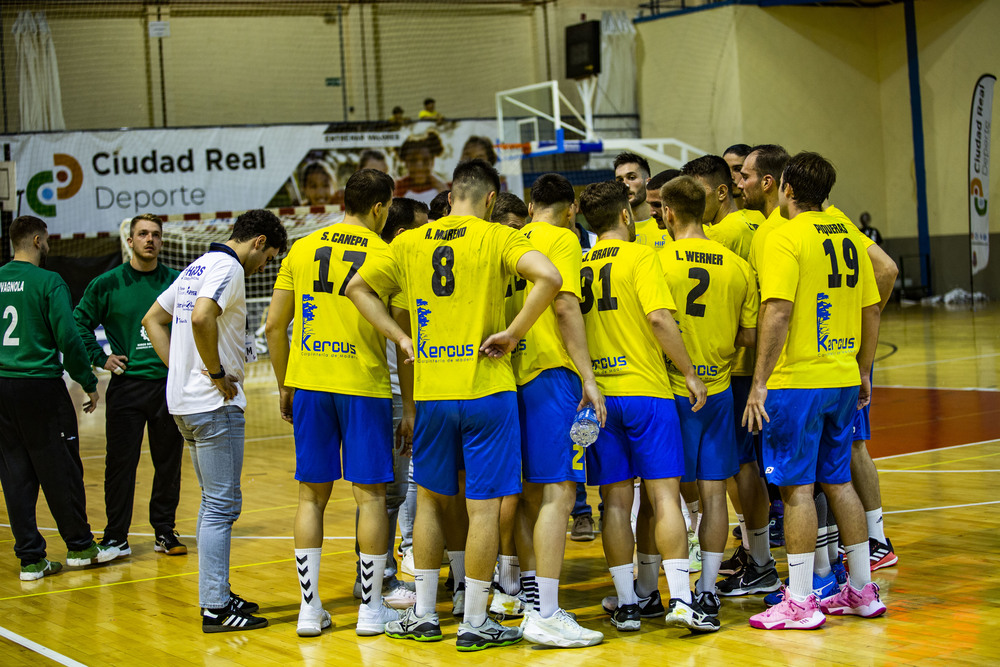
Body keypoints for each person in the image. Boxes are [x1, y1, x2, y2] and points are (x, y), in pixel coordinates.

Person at [346, 158, 563, 651]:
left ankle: (424, 614)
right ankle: (473, 621)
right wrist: (513, 333)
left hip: (433, 392)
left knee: (429, 500)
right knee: (484, 509)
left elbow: (357, 288)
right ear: (491, 199)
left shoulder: (408, 241)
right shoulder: (499, 237)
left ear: (449, 195)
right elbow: (548, 278)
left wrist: (400, 336)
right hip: (487, 390)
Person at [743, 152, 886, 630]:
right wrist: (863, 370)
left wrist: (759, 381)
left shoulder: (785, 236)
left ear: (785, 187)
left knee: (798, 491)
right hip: (843, 376)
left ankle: (801, 602)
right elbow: (872, 308)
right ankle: (863, 590)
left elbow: (778, 310)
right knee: (839, 481)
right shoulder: (847, 234)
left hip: (798, 382)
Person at [265, 170, 404, 638]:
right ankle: (369, 612)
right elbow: (404, 338)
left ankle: (309, 611)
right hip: (363, 386)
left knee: (311, 497)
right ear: (381, 208)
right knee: (370, 498)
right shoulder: (386, 253)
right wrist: (413, 405)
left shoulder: (301, 249)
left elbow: (272, 327)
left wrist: (286, 384)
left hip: (309, 384)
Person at [576, 180, 716, 634]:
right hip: (647, 394)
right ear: (624, 216)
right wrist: (691, 372)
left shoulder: (579, 264)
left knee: (614, 504)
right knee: (663, 495)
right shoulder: (642, 257)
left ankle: (627, 603)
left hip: (599, 397)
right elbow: (659, 318)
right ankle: (680, 598)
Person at [143, 209, 288, 633]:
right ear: (258, 241)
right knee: (221, 507)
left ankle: (218, 594)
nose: (265, 268)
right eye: (269, 257)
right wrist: (216, 372)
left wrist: (181, 372)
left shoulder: (196, 266)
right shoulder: (228, 267)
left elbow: (152, 319)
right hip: (212, 404)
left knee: (213, 505)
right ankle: (215, 607)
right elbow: (203, 316)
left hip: (184, 403)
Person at [508, 173, 606, 648]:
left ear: (530, 205)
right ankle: (546, 612)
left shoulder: (509, 239)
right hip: (552, 375)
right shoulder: (563, 239)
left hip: (509, 376)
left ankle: (533, 601)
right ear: (571, 209)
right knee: (560, 495)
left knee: (530, 496)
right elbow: (565, 307)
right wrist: (588, 377)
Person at [657, 175, 759, 622]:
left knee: (665, 494)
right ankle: (707, 589)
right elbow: (750, 334)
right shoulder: (736, 265)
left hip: (671, 388)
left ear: (669, 213)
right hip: (719, 389)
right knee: (716, 492)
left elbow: (653, 322)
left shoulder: (656, 261)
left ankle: (665, 590)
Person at [0, 216, 121, 581]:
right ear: (38, 240)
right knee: (61, 467)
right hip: (39, 386)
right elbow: (68, 337)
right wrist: (88, 380)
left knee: (14, 472)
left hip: (3, 386)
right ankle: (81, 546)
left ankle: (31, 560)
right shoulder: (49, 281)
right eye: (47, 241)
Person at [73, 213, 186, 558]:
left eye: (155, 234)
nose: (149, 239)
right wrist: (99, 357)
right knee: (120, 463)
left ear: (161, 241)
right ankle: (116, 536)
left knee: (168, 462)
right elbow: (78, 323)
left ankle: (164, 531)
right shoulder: (107, 283)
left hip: (168, 386)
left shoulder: (178, 281)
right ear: (130, 241)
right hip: (126, 386)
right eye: (142, 234)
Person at [613, 152, 670, 252]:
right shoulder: (612, 230)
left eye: (631, 178)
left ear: (648, 182)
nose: (625, 185)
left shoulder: (668, 224)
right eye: (620, 180)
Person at [394, 130, 448, 205]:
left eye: (425, 160)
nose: (419, 167)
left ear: (432, 161)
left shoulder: (447, 189)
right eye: (413, 160)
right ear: (405, 162)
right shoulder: (396, 189)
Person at [723, 144, 753, 210]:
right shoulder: (711, 217)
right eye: (726, 169)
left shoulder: (765, 215)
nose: (730, 176)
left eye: (737, 169)